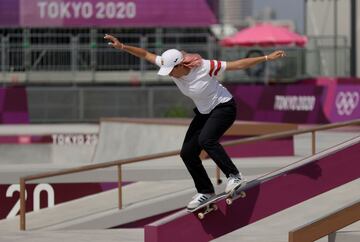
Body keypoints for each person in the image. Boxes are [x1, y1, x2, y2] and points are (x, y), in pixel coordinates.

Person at [104, 34, 286, 210]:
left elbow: (237, 65)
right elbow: (145, 54)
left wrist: (266, 57)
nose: (170, 75)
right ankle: (205, 191)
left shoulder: (205, 67)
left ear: (181, 65)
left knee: (206, 140)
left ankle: (235, 176)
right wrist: (122, 46)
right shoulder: (168, 62)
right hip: (204, 112)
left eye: (171, 72)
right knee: (187, 153)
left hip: (224, 107)